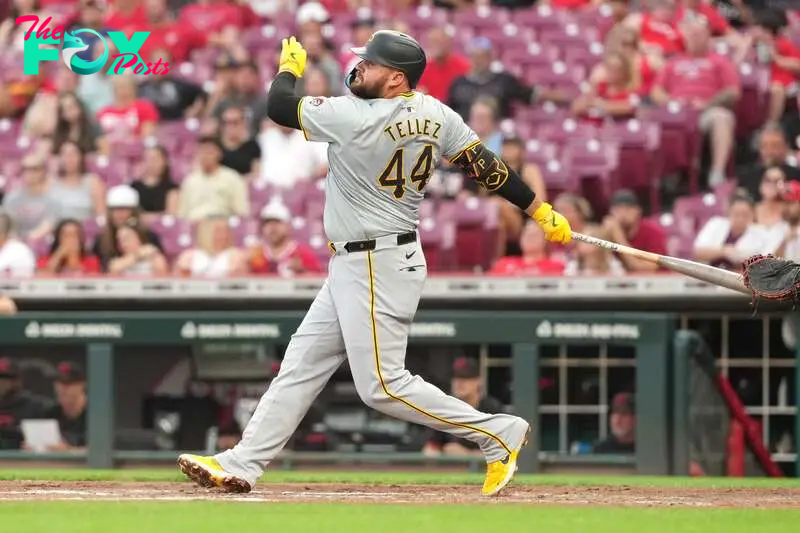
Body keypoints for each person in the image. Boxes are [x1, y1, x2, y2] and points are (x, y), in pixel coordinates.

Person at [178, 31, 572, 498]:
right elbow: (487, 166)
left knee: (382, 385)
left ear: (396, 79)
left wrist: (289, 69)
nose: (359, 67)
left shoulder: (354, 115)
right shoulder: (435, 112)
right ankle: (242, 463)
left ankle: (497, 432)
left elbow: (280, 107)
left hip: (376, 261)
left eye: (370, 64)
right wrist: (539, 210)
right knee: (301, 366)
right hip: (363, 261)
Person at [650, 20, 740, 187]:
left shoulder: (719, 61)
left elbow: (733, 91)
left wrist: (708, 104)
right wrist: (672, 102)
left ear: (708, 37)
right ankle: (666, 174)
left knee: (722, 118)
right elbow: (656, 91)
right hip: (677, 112)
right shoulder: (673, 63)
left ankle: (717, 173)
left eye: (698, 34)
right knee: (652, 123)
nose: (694, 38)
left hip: (705, 111)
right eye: (691, 35)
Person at [422, 358, 505, 457]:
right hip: (454, 470)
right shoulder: (446, 409)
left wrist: (466, 454)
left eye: (465, 378)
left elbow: (503, 452)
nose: (459, 382)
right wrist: (438, 453)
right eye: (456, 378)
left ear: (479, 381)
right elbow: (431, 447)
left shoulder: (491, 409)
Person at [178, 136, 250, 221]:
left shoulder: (232, 178)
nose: (205, 156)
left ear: (219, 154)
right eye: (202, 152)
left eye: (209, 152)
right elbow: (182, 215)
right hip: (195, 225)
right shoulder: (190, 181)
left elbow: (241, 212)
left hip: (222, 224)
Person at [693, 192, 767, 269]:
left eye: (745, 214)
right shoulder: (715, 223)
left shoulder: (760, 233)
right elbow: (698, 252)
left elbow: (760, 262)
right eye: (736, 214)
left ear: (752, 214)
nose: (740, 219)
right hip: (706, 273)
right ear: (728, 212)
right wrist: (724, 251)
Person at [248, 202, 322, 277]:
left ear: (288, 226)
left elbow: (318, 281)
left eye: (277, 222)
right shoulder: (255, 255)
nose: (272, 227)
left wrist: (302, 273)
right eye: (267, 223)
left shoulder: (302, 254)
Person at [602, 189, 667, 272]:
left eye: (628, 209)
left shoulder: (653, 233)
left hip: (657, 283)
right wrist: (604, 236)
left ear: (638, 211)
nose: (623, 214)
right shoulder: (609, 231)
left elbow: (644, 270)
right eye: (618, 210)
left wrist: (618, 236)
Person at [2, 154, 60, 240]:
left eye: (35, 169)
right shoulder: (12, 198)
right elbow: (7, 225)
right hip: (14, 244)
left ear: (43, 172)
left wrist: (27, 239)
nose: (30, 173)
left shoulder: (52, 200)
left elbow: (48, 226)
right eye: (26, 169)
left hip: (41, 245)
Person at [0, 357, 52, 450]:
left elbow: (45, 444)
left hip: (24, 460)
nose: (2, 383)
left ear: (17, 381)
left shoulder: (35, 406)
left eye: (7, 378)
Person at [174, 217, 249, 278]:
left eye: (226, 231)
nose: (223, 235)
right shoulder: (188, 257)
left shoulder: (236, 256)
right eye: (218, 231)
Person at [51, 141, 106, 221]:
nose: (69, 158)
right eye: (65, 154)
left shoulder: (92, 182)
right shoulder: (52, 184)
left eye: (73, 154)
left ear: (81, 157)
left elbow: (101, 215)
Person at [490, 221, 566, 276]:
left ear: (545, 241)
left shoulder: (555, 266)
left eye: (534, 235)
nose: (529, 238)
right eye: (526, 234)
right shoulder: (504, 263)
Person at [42, 362, 88, 452]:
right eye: (59, 383)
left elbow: (104, 452)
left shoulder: (97, 414)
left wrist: (68, 451)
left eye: (69, 383)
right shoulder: (51, 413)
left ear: (82, 385)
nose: (63, 388)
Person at [130, 146, 179, 217]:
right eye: (147, 159)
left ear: (165, 161)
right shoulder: (133, 188)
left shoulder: (172, 188)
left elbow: (172, 215)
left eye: (155, 159)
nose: (151, 163)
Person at [219, 105, 262, 177]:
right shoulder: (215, 145)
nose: (231, 127)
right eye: (228, 122)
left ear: (243, 123)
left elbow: (256, 173)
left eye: (235, 122)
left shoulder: (252, 146)